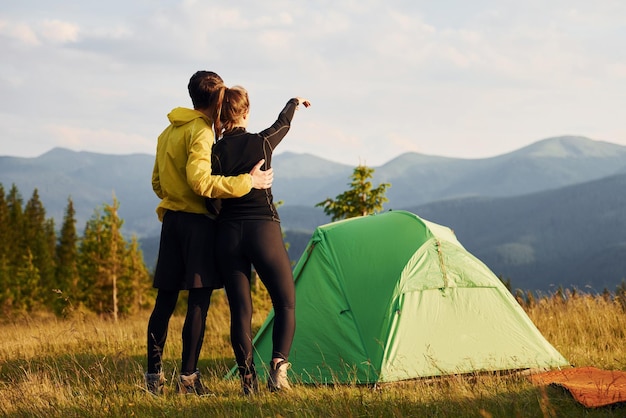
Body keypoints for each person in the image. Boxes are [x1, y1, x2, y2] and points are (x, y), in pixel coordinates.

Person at [145, 71, 274, 396]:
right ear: (217, 100)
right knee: (198, 303)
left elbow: (157, 183)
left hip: (172, 222)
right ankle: (188, 379)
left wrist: (175, 198)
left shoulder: (167, 131)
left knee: (164, 302)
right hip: (197, 225)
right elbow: (201, 183)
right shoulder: (201, 132)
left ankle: (153, 377)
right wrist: (248, 182)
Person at [210, 86, 310, 395]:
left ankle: (247, 381)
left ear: (220, 115)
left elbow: (211, 203)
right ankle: (278, 371)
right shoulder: (262, 142)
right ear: (246, 111)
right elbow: (283, 123)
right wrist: (293, 102)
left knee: (241, 310)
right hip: (263, 229)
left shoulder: (213, 151)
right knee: (285, 302)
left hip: (227, 234)